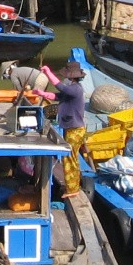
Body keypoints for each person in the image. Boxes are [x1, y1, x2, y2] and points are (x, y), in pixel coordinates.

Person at [54, 61, 88, 195]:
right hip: (72, 128)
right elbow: (57, 95)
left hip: (75, 130)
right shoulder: (73, 88)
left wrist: (48, 73)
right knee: (72, 158)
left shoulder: (75, 89)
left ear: (71, 77)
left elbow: (61, 87)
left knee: (69, 158)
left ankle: (72, 189)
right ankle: (73, 186)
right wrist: (41, 93)